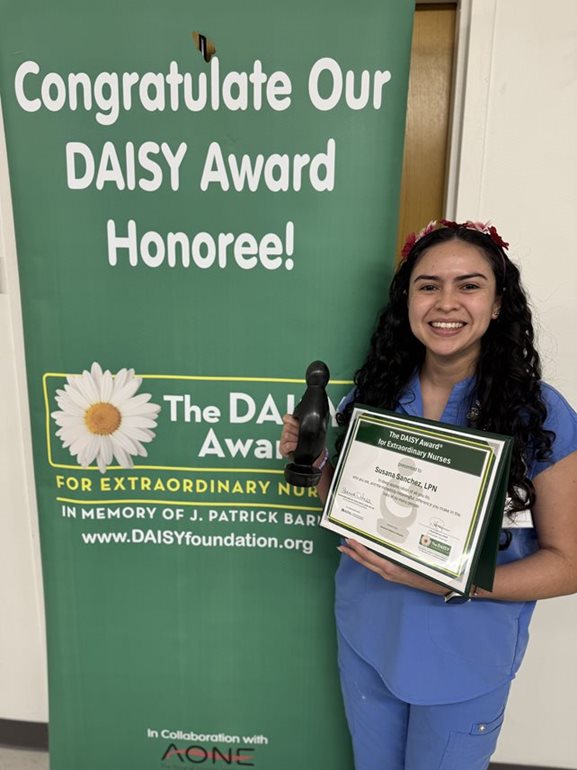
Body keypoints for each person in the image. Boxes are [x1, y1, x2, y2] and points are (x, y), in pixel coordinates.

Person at [280, 219, 577, 770]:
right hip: (368, 640)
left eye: (469, 285)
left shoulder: (541, 415)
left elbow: (569, 565)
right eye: (428, 285)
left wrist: (449, 579)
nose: (446, 302)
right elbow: (349, 511)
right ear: (407, 302)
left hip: (465, 660)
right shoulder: (372, 396)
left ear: (497, 304)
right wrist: (315, 462)